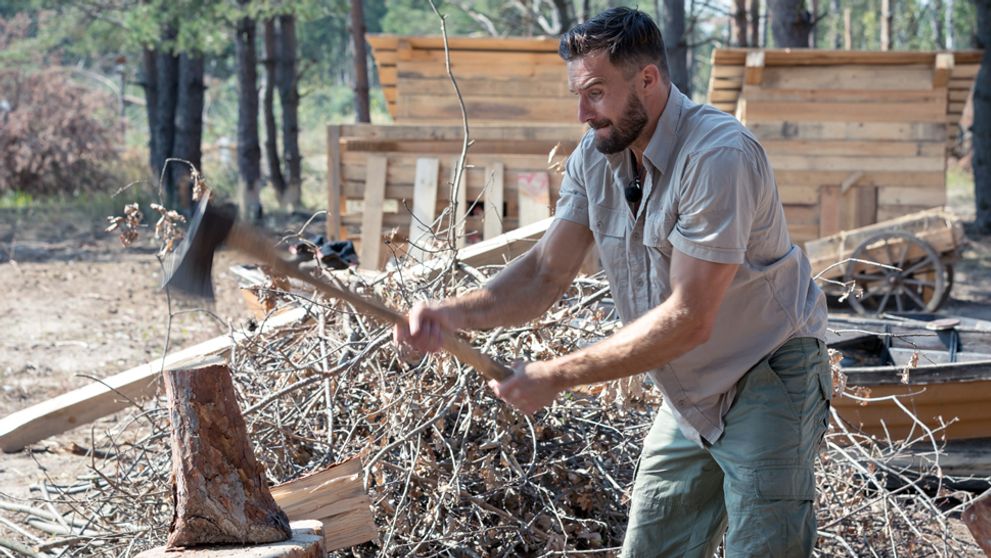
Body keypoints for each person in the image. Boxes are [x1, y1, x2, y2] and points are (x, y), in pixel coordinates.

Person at [395, 7, 830, 557]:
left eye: (596, 92)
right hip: (690, 396)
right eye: (578, 93)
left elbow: (690, 317)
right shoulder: (596, 156)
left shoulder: (717, 156)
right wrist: (449, 314)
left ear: (648, 80)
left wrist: (557, 374)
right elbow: (545, 271)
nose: (582, 112)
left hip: (767, 375)